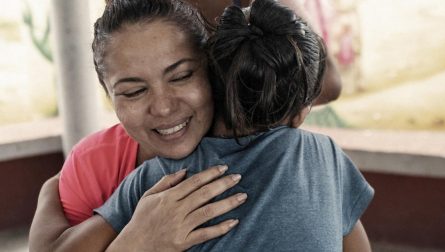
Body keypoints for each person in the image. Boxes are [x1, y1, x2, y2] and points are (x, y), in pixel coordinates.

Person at [29, 0, 343, 251]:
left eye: (182, 76)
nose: (163, 106)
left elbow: (326, 80)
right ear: (108, 93)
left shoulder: (289, 156)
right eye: (134, 91)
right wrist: (135, 242)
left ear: (216, 70)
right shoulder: (100, 165)